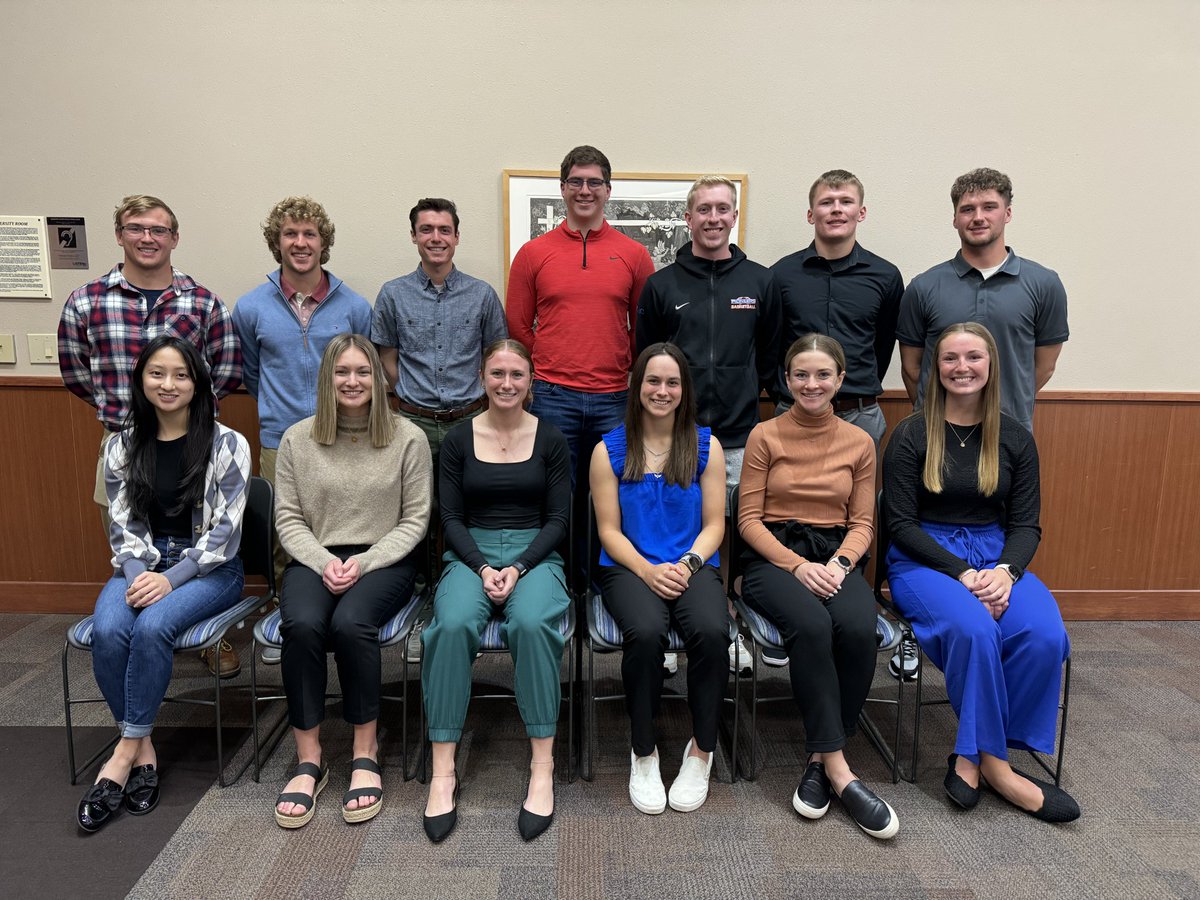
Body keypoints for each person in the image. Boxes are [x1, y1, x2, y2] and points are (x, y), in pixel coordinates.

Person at [883, 322, 1079, 823]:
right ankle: (999, 768)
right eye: (950, 358)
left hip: (996, 556)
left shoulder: (1014, 436)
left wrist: (1005, 572)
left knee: (1043, 634)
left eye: (973, 357)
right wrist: (964, 575)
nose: (962, 367)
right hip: (925, 559)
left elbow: (1027, 525)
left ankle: (972, 755)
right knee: (973, 629)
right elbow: (901, 524)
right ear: (936, 367)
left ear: (991, 365)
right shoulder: (910, 434)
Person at [58, 194, 244, 679]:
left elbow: (223, 369)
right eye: (136, 228)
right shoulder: (86, 301)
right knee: (133, 552)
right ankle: (134, 644)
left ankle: (198, 633)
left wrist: (186, 415)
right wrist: (130, 417)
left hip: (196, 445)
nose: (147, 238)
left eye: (158, 230)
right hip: (122, 444)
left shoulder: (203, 302)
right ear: (119, 235)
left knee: (197, 541)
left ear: (173, 239)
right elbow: (76, 372)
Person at [77, 336, 250, 833]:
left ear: (197, 383)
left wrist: (169, 581)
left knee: (151, 628)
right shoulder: (120, 444)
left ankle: (120, 757)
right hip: (138, 566)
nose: (168, 384)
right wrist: (142, 576)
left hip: (211, 570)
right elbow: (122, 524)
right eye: (157, 374)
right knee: (109, 630)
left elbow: (225, 534)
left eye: (180, 374)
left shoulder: (227, 443)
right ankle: (143, 745)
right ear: (141, 381)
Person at [737, 333, 899, 840]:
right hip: (772, 557)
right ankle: (840, 769)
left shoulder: (860, 441)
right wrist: (797, 566)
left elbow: (864, 522)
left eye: (822, 374)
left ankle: (818, 755)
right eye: (801, 374)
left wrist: (841, 562)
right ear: (786, 381)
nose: (811, 383)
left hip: (835, 557)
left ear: (840, 380)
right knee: (809, 624)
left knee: (856, 626)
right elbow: (747, 520)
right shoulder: (766, 434)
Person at [272, 335, 432, 829]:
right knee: (300, 624)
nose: (353, 381)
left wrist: (363, 563)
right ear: (327, 379)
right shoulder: (298, 439)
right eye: (342, 372)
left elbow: (415, 520)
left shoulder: (408, 438)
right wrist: (323, 561)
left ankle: (366, 750)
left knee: (351, 623)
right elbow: (288, 518)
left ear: (379, 379)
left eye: (363, 371)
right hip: (314, 558)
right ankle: (309, 758)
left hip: (385, 560)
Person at [420, 339, 571, 843]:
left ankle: (542, 767)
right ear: (482, 377)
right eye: (497, 374)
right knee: (452, 625)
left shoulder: (550, 438)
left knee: (531, 624)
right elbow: (450, 518)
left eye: (517, 375)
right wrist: (484, 567)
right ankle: (443, 770)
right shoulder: (459, 440)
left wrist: (523, 565)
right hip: (470, 553)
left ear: (531, 382)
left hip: (536, 552)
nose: (507, 384)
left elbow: (559, 519)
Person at [590, 342, 729, 815]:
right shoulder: (608, 449)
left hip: (693, 565)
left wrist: (688, 564)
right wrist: (648, 570)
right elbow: (608, 531)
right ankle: (643, 751)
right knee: (646, 633)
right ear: (637, 385)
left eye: (672, 382)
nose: (662, 390)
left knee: (712, 632)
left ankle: (701, 750)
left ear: (684, 390)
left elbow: (715, 524)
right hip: (629, 568)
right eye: (653, 380)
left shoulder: (706, 447)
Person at [372, 197, 507, 659]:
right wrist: (411, 397)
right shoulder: (393, 294)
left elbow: (495, 358)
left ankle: (462, 603)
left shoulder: (482, 294)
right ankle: (421, 609)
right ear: (413, 236)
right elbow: (387, 359)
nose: (435, 238)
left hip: (469, 420)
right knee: (415, 514)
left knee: (465, 513)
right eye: (426, 229)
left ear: (456, 237)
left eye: (444, 230)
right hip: (411, 420)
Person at [232, 196, 373, 594]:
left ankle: (345, 599)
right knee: (283, 528)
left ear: (322, 242)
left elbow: (366, 373)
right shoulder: (250, 308)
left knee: (346, 522)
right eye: (289, 233)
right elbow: (252, 373)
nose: (299, 242)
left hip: (347, 435)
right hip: (281, 438)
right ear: (276, 242)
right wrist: (282, 410)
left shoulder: (354, 306)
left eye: (309, 233)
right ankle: (284, 606)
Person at [506, 145, 656, 488]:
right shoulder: (533, 254)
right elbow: (517, 325)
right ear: (562, 188)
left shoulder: (634, 255)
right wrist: (550, 360)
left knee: (615, 494)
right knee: (555, 495)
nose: (584, 191)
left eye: (593, 182)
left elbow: (642, 326)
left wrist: (621, 362)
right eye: (575, 182)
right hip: (551, 397)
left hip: (615, 398)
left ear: (608, 190)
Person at [896, 168, 1068, 432]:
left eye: (989, 207)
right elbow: (911, 368)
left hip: (1009, 429)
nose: (978, 217)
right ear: (955, 218)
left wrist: (1007, 402)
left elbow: (1044, 366)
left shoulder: (1044, 284)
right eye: (967, 209)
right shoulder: (923, 286)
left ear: (1007, 213)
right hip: (936, 431)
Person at [771, 170, 903, 449]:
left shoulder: (886, 276)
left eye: (846, 201)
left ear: (861, 212)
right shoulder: (781, 275)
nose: (836, 210)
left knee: (859, 494)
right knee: (790, 493)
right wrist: (783, 393)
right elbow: (769, 344)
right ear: (811, 214)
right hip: (794, 414)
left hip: (860, 415)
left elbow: (883, 343)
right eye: (826, 202)